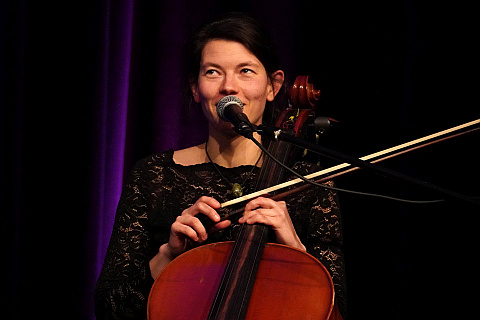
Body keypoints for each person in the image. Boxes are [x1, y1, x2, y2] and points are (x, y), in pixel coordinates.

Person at [94, 13, 346, 319]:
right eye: (213, 72)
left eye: (246, 71)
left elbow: (336, 311)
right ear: (195, 87)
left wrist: (294, 248)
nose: (229, 86)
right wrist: (168, 255)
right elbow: (109, 309)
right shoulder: (153, 176)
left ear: (273, 86)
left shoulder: (310, 183)